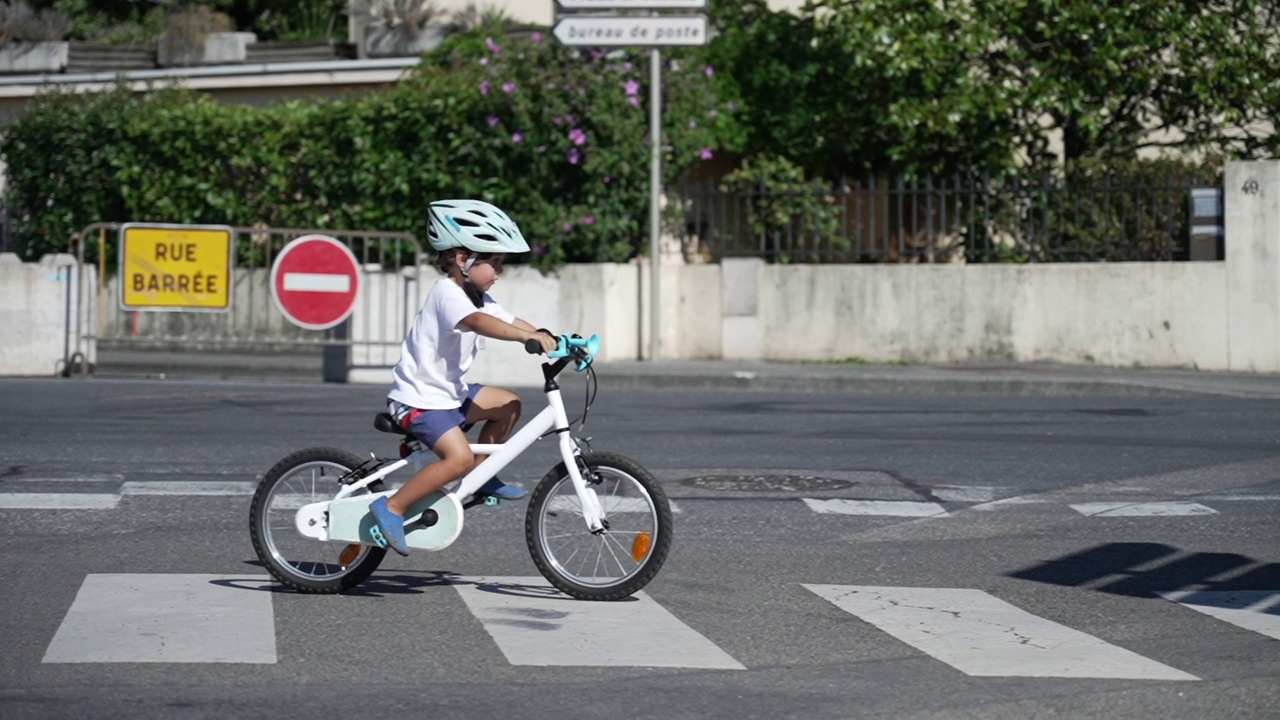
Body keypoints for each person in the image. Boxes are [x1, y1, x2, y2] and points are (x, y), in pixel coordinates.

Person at [369, 199, 558, 556]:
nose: (499, 271)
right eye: (494, 261)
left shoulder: (478, 295)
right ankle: (391, 507)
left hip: (449, 396)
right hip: (417, 400)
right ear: (462, 259)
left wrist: (556, 339)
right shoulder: (448, 294)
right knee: (457, 460)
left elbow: (510, 320)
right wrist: (525, 339)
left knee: (508, 404)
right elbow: (479, 323)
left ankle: (481, 479)